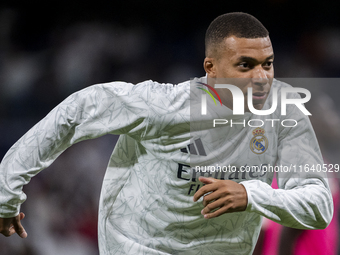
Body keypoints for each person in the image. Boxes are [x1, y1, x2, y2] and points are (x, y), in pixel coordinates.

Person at [0, 12, 333, 255]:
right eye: (246, 65)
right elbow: (78, 110)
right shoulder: (164, 105)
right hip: (141, 245)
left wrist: (250, 195)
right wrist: (6, 192)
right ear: (211, 69)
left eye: (268, 63)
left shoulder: (284, 111)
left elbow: (318, 205)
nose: (261, 77)